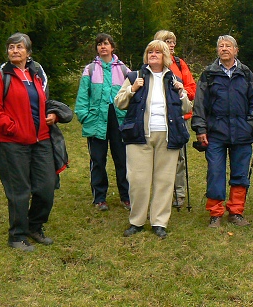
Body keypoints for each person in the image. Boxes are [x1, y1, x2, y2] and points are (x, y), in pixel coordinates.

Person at [0, 33, 57, 252]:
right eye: (11, 47)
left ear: (28, 52)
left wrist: (52, 115)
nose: (14, 51)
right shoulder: (1, 77)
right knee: (19, 191)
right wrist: (12, 128)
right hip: (12, 143)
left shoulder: (36, 74)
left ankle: (35, 227)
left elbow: (43, 102)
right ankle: (17, 235)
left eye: (19, 47)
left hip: (41, 140)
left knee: (46, 187)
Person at [114, 40, 191, 239]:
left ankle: (159, 222)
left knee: (164, 181)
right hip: (139, 136)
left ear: (165, 56)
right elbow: (119, 102)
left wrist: (182, 92)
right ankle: (137, 221)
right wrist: (132, 90)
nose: (153, 54)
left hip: (168, 136)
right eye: (150, 51)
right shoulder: (135, 76)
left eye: (158, 52)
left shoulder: (173, 79)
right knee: (138, 180)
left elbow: (187, 108)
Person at [192, 35, 253, 228]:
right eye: (221, 46)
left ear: (236, 50)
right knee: (215, 172)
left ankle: (236, 212)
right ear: (217, 51)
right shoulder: (208, 74)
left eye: (228, 46)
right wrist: (200, 128)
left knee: (240, 173)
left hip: (242, 132)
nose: (224, 49)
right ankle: (215, 214)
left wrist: (251, 125)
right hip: (215, 132)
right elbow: (199, 104)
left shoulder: (246, 73)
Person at [75, 33, 131, 212]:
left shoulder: (123, 70)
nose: (103, 47)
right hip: (96, 119)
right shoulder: (90, 69)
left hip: (118, 119)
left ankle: (126, 196)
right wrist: (83, 116)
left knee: (122, 158)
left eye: (106, 43)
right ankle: (99, 198)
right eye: (99, 44)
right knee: (98, 159)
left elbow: (132, 94)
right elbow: (83, 95)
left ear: (112, 47)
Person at [153, 30, 197, 209]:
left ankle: (179, 194)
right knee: (158, 157)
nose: (172, 45)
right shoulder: (150, 65)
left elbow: (192, 89)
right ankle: (162, 193)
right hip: (157, 120)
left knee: (179, 158)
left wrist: (180, 94)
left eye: (173, 42)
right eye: (168, 41)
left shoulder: (179, 63)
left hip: (179, 118)